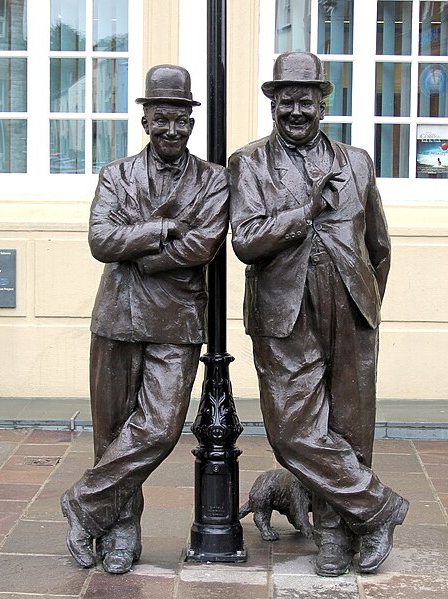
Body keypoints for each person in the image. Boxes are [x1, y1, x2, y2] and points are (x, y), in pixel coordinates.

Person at [228, 52, 408, 576]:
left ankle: (335, 535)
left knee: (351, 427)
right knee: (292, 431)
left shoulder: (356, 162)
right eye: (286, 102)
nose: (296, 111)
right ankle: (378, 509)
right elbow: (246, 241)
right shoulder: (250, 163)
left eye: (305, 101)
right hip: (284, 312)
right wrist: (305, 210)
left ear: (324, 104)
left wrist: (367, 303)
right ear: (273, 104)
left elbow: (379, 244)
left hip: (350, 307)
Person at [60, 64, 229, 575]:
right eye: (162, 118)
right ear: (146, 120)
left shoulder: (214, 179)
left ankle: (83, 501)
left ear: (191, 122)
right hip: (116, 316)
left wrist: (141, 251)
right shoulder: (116, 175)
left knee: (158, 428)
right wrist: (163, 228)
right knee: (111, 432)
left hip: (176, 321)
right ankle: (120, 529)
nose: (172, 128)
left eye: (181, 118)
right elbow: (100, 241)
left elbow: (205, 244)